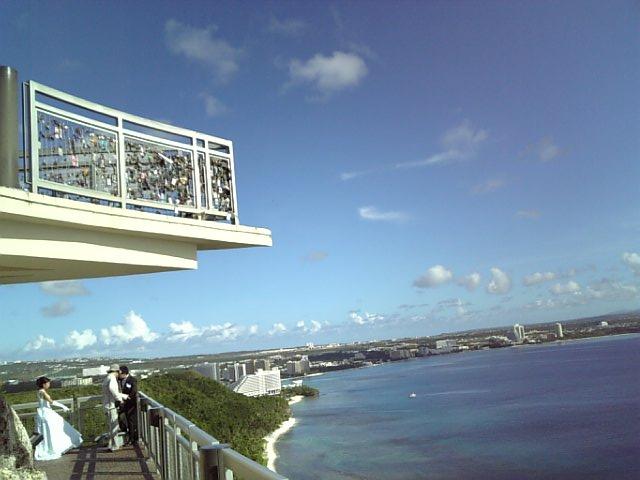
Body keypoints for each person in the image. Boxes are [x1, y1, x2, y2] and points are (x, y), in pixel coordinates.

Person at [34, 376, 83, 460]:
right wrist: (63, 406)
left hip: (44, 412)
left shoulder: (39, 391)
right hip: (46, 413)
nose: (49, 384)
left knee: (52, 430)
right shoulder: (42, 392)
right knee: (58, 427)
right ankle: (57, 447)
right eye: (48, 383)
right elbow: (51, 402)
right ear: (44, 384)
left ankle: (56, 447)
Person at [101, 364, 128, 452]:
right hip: (111, 406)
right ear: (116, 371)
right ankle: (115, 445)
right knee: (114, 427)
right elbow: (114, 391)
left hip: (106, 405)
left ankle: (110, 444)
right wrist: (120, 400)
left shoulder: (107, 378)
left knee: (110, 427)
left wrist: (124, 396)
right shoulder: (112, 378)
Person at [117, 365, 138, 445]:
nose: (118, 375)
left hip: (131, 404)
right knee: (122, 419)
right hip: (123, 404)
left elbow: (133, 392)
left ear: (124, 373)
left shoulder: (132, 380)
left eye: (119, 373)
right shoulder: (119, 380)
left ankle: (133, 439)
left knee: (131, 421)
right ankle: (126, 435)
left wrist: (127, 399)